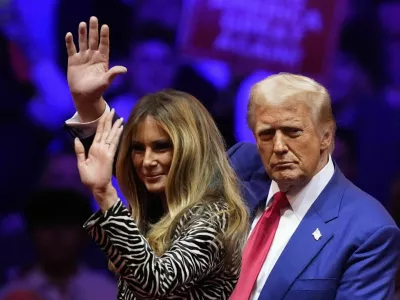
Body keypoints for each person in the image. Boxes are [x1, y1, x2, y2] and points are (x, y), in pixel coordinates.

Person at [63, 17, 249, 299]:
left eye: (162, 147)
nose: (146, 160)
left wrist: (104, 193)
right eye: (138, 148)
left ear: (190, 150)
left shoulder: (213, 217)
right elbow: (113, 160)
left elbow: (156, 283)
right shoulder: (155, 207)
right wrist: (86, 103)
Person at [228, 73, 400, 299]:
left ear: (326, 137)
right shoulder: (240, 168)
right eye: (267, 134)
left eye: (293, 132)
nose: (279, 146)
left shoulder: (369, 230)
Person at [0, 188, 117, 300]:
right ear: (31, 233)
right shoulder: (11, 291)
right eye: (47, 225)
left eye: (67, 225)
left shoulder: (106, 291)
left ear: (85, 234)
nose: (57, 235)